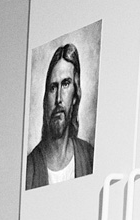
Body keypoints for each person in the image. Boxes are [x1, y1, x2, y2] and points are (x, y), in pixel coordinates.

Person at [25, 42, 94, 189]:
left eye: (66, 84)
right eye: (53, 87)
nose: (58, 99)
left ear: (75, 95)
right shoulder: (29, 168)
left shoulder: (88, 156)